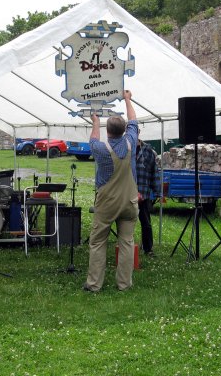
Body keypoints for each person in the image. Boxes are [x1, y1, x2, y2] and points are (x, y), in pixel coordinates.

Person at [83, 90, 139, 292]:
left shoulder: (100, 149)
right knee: (126, 242)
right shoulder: (131, 142)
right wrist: (127, 100)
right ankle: (124, 284)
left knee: (98, 242)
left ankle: (94, 284)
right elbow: (133, 120)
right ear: (124, 130)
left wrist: (95, 122)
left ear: (109, 131)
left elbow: (92, 140)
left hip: (107, 203)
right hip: (129, 202)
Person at [136, 135, 160, 257]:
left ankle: (148, 249)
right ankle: (124, 247)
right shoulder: (124, 149)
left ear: (138, 132)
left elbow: (154, 171)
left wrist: (157, 191)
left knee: (146, 223)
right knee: (123, 221)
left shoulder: (148, 151)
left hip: (143, 194)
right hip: (126, 194)